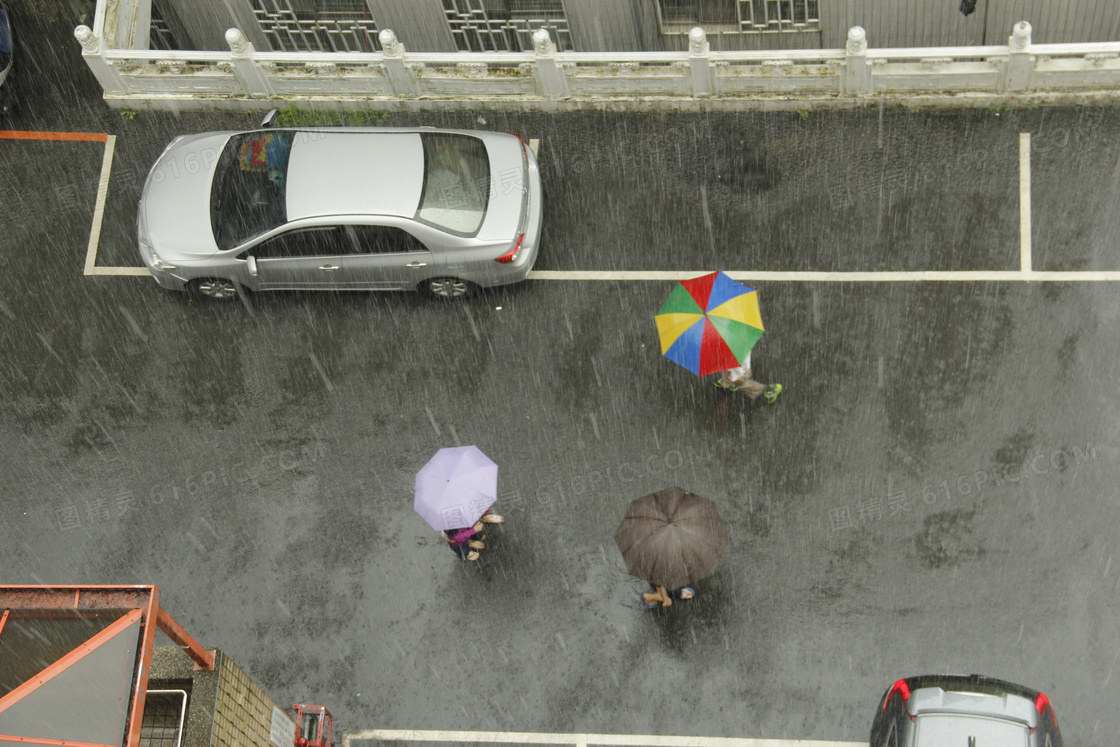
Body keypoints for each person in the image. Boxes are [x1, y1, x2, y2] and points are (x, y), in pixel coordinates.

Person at [713, 352, 781, 403]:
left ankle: (769, 389)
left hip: (736, 369)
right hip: (742, 363)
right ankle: (727, 383)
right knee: (731, 375)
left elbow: (735, 368)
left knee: (742, 383)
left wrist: (734, 377)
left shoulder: (729, 351)